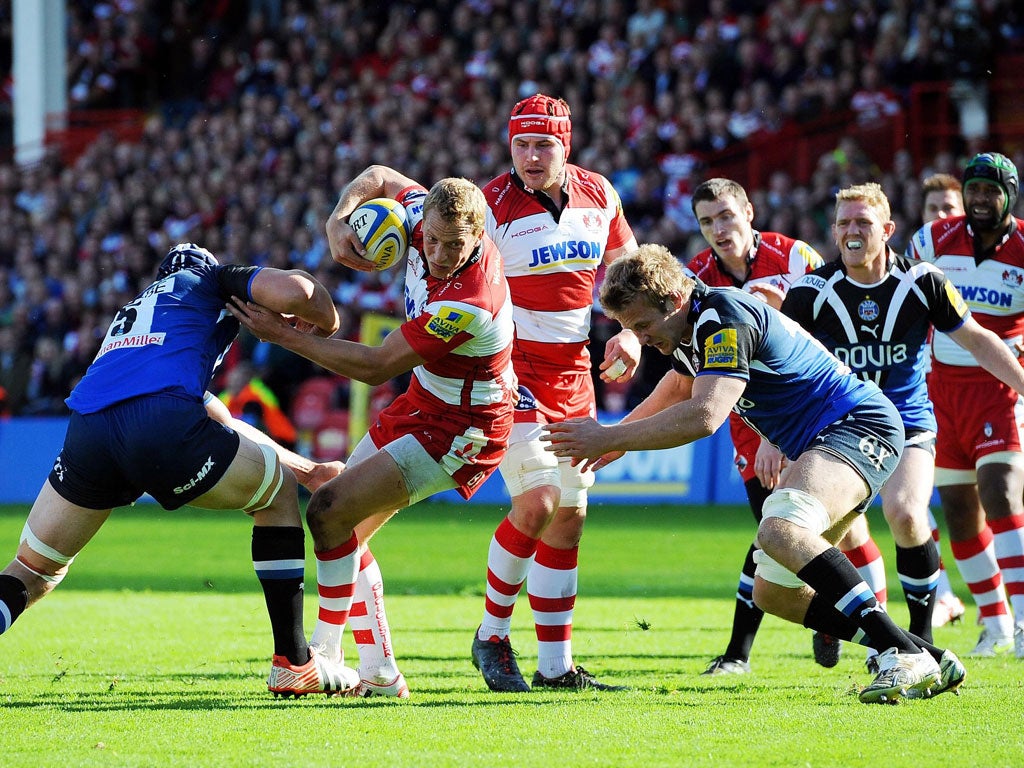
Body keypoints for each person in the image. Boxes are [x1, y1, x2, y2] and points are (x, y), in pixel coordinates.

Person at [543, 243, 967, 704]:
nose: (640, 338)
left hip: (858, 423)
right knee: (773, 593)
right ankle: (922, 653)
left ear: (674, 300)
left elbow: (705, 415)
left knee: (781, 530)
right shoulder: (692, 327)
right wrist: (615, 442)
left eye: (643, 325)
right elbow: (679, 386)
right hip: (824, 439)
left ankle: (900, 655)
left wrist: (608, 438)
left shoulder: (722, 316)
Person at [0, 243, 357, 697]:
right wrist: (324, 322)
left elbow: (222, 423)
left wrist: (308, 469)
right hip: (159, 424)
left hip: (89, 432)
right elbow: (297, 291)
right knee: (276, 494)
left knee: (33, 571)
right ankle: (293, 661)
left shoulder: (144, 312)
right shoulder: (210, 280)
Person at [231, 169, 516, 699]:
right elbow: (380, 177)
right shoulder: (418, 216)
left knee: (330, 513)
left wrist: (282, 335)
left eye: (454, 244)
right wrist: (338, 222)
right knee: (340, 522)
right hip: (425, 402)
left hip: (464, 428)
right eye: (430, 239)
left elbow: (377, 366)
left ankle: (324, 653)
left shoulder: (468, 300)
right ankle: (380, 673)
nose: (438, 252)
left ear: (480, 236)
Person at [781, 182, 1024, 672]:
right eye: (844, 223)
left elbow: (977, 339)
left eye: (863, 223)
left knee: (909, 514)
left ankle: (920, 641)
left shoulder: (923, 282)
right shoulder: (811, 292)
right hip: (840, 430)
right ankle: (837, 619)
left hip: (908, 423)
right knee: (828, 533)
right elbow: (780, 365)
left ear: (887, 230)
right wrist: (776, 440)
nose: (852, 231)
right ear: (833, 231)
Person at [472, 93, 640, 692]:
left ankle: (555, 668)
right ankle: (491, 635)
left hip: (575, 373)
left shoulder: (601, 193)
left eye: (543, 144)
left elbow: (629, 272)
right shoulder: (488, 206)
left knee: (569, 517)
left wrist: (628, 333)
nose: (531, 156)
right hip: (512, 371)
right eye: (521, 144)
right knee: (538, 502)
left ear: (565, 146)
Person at [683, 177, 827, 676]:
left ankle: (740, 654)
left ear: (748, 209)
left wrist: (777, 438)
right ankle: (839, 622)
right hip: (745, 420)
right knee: (772, 532)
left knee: (813, 531)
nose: (718, 229)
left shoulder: (797, 259)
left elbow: (822, 338)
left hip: (807, 408)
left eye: (725, 215)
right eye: (706, 222)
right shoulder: (697, 278)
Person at [907, 152, 1024, 657]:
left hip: (1000, 391)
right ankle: (995, 624)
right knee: (958, 513)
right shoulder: (931, 241)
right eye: (973, 188)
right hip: (941, 394)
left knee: (1000, 495)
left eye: (990, 191)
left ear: (1008, 196)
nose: (979, 199)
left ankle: (1023, 621)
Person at [918, 173, 969, 629]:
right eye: (933, 208)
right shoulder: (919, 269)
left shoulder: (986, 266)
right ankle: (946, 594)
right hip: (930, 399)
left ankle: (1000, 603)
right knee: (918, 504)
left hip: (989, 395)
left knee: (992, 502)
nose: (941, 216)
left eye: (949, 208)